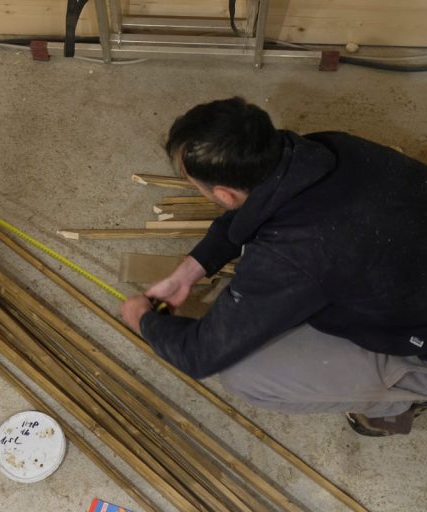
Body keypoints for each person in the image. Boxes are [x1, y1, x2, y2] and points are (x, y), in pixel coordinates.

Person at [120, 97, 427, 436]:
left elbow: (199, 355)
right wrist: (190, 270)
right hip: (403, 259)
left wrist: (145, 320)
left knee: (247, 376)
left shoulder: (293, 253)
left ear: (223, 195)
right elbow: (252, 210)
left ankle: (400, 398)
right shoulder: (327, 148)